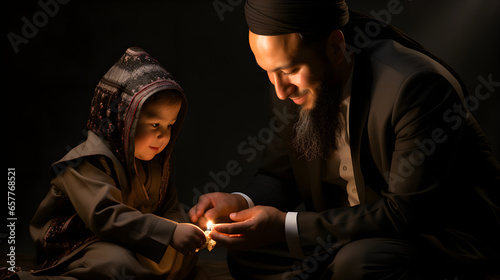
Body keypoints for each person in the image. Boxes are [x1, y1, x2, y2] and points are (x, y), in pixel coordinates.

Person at [189, 1, 500, 279]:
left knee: (360, 263)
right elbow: (279, 176)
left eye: (292, 70)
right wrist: (241, 202)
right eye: (268, 73)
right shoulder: (290, 89)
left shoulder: (415, 87)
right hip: (345, 235)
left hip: (432, 237)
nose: (281, 90)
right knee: (247, 253)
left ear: (335, 47)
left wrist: (286, 225)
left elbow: (405, 213)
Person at [13, 47, 208, 280]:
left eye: (170, 126)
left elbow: (169, 205)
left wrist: (185, 228)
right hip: (84, 240)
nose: (163, 136)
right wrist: (170, 232)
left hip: (130, 236)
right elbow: (105, 215)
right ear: (123, 120)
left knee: (182, 254)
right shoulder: (87, 162)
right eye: (155, 125)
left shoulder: (154, 161)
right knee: (115, 265)